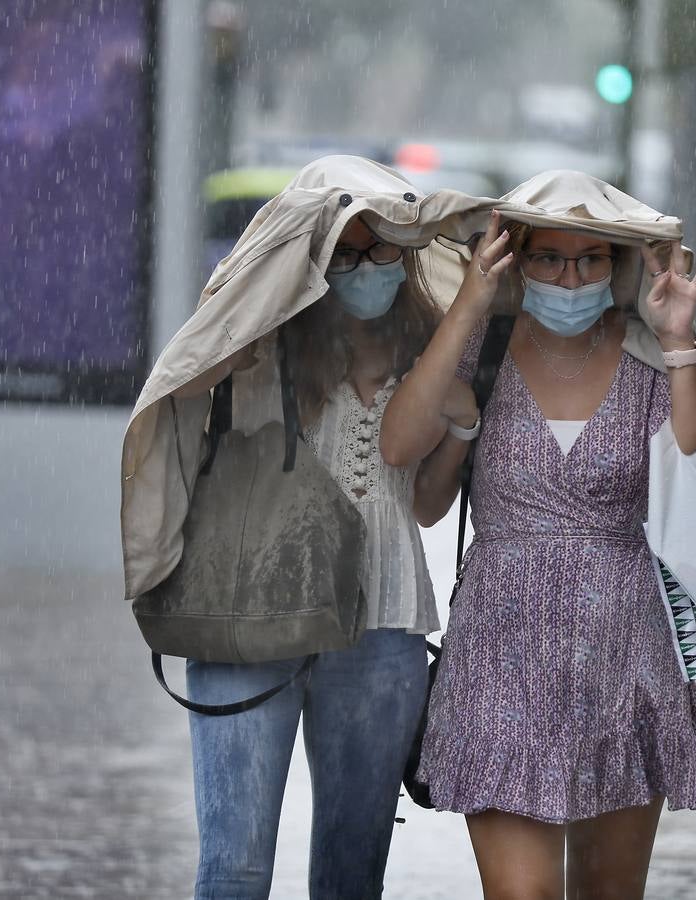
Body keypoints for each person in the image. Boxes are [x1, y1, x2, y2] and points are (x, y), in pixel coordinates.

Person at [382, 188, 696, 899]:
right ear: (517, 262)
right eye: (549, 259)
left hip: (625, 667)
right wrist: (469, 302)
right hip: (500, 665)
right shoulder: (479, 350)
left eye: (590, 261)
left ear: (615, 267)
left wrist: (679, 339)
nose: (569, 278)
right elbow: (404, 454)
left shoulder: (652, 357)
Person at [168, 179, 479, 897]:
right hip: (253, 615)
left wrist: (461, 428)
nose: (367, 266)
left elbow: (427, 508)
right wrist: (262, 271)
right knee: (235, 865)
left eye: (382, 249)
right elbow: (191, 370)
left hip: (382, 627)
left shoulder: (430, 352)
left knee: (352, 869)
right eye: (347, 253)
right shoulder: (260, 342)